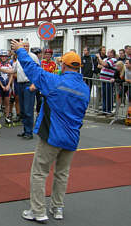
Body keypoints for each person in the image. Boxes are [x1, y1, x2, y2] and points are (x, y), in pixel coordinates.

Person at [10, 40, 90, 223]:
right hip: (72, 137)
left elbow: (33, 70)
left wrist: (21, 51)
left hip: (52, 135)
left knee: (39, 172)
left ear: (63, 65)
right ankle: (57, 207)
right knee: (62, 173)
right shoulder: (85, 89)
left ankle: (38, 211)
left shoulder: (55, 82)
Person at [97, 49, 117, 115]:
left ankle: (109, 110)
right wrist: (102, 63)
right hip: (103, 79)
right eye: (107, 52)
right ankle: (104, 109)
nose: (107, 53)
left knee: (109, 95)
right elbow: (99, 65)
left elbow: (104, 64)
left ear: (112, 54)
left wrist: (100, 58)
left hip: (109, 80)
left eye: (109, 52)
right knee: (104, 95)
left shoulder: (113, 60)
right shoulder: (106, 59)